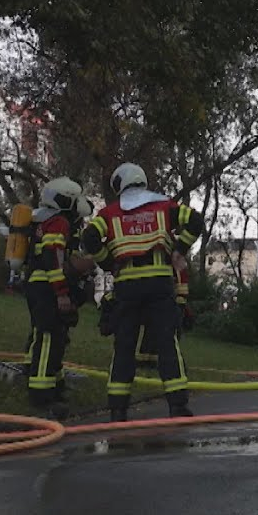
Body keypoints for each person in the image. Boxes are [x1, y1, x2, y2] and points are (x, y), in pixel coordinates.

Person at [81, 162, 205, 422]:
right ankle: (178, 406)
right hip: (159, 283)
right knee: (167, 343)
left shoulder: (110, 213)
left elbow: (89, 239)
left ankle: (117, 409)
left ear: (120, 185)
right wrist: (179, 249)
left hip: (127, 285)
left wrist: (108, 262)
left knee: (124, 346)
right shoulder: (164, 206)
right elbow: (195, 221)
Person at [22, 177, 93, 419]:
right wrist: (61, 293)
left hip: (38, 285)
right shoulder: (59, 222)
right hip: (47, 286)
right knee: (49, 338)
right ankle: (41, 395)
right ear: (65, 201)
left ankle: (53, 384)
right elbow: (54, 258)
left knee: (50, 336)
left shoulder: (40, 220)